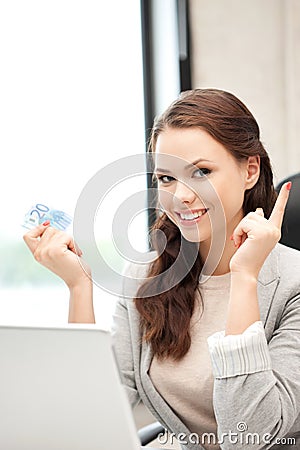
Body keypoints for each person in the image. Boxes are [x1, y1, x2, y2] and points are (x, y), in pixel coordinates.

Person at [24, 89, 300, 450]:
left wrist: (245, 278)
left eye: (201, 172)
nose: (181, 195)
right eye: (166, 178)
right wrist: (79, 286)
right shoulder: (146, 276)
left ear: (250, 171)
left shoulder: (292, 284)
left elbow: (250, 436)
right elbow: (93, 413)